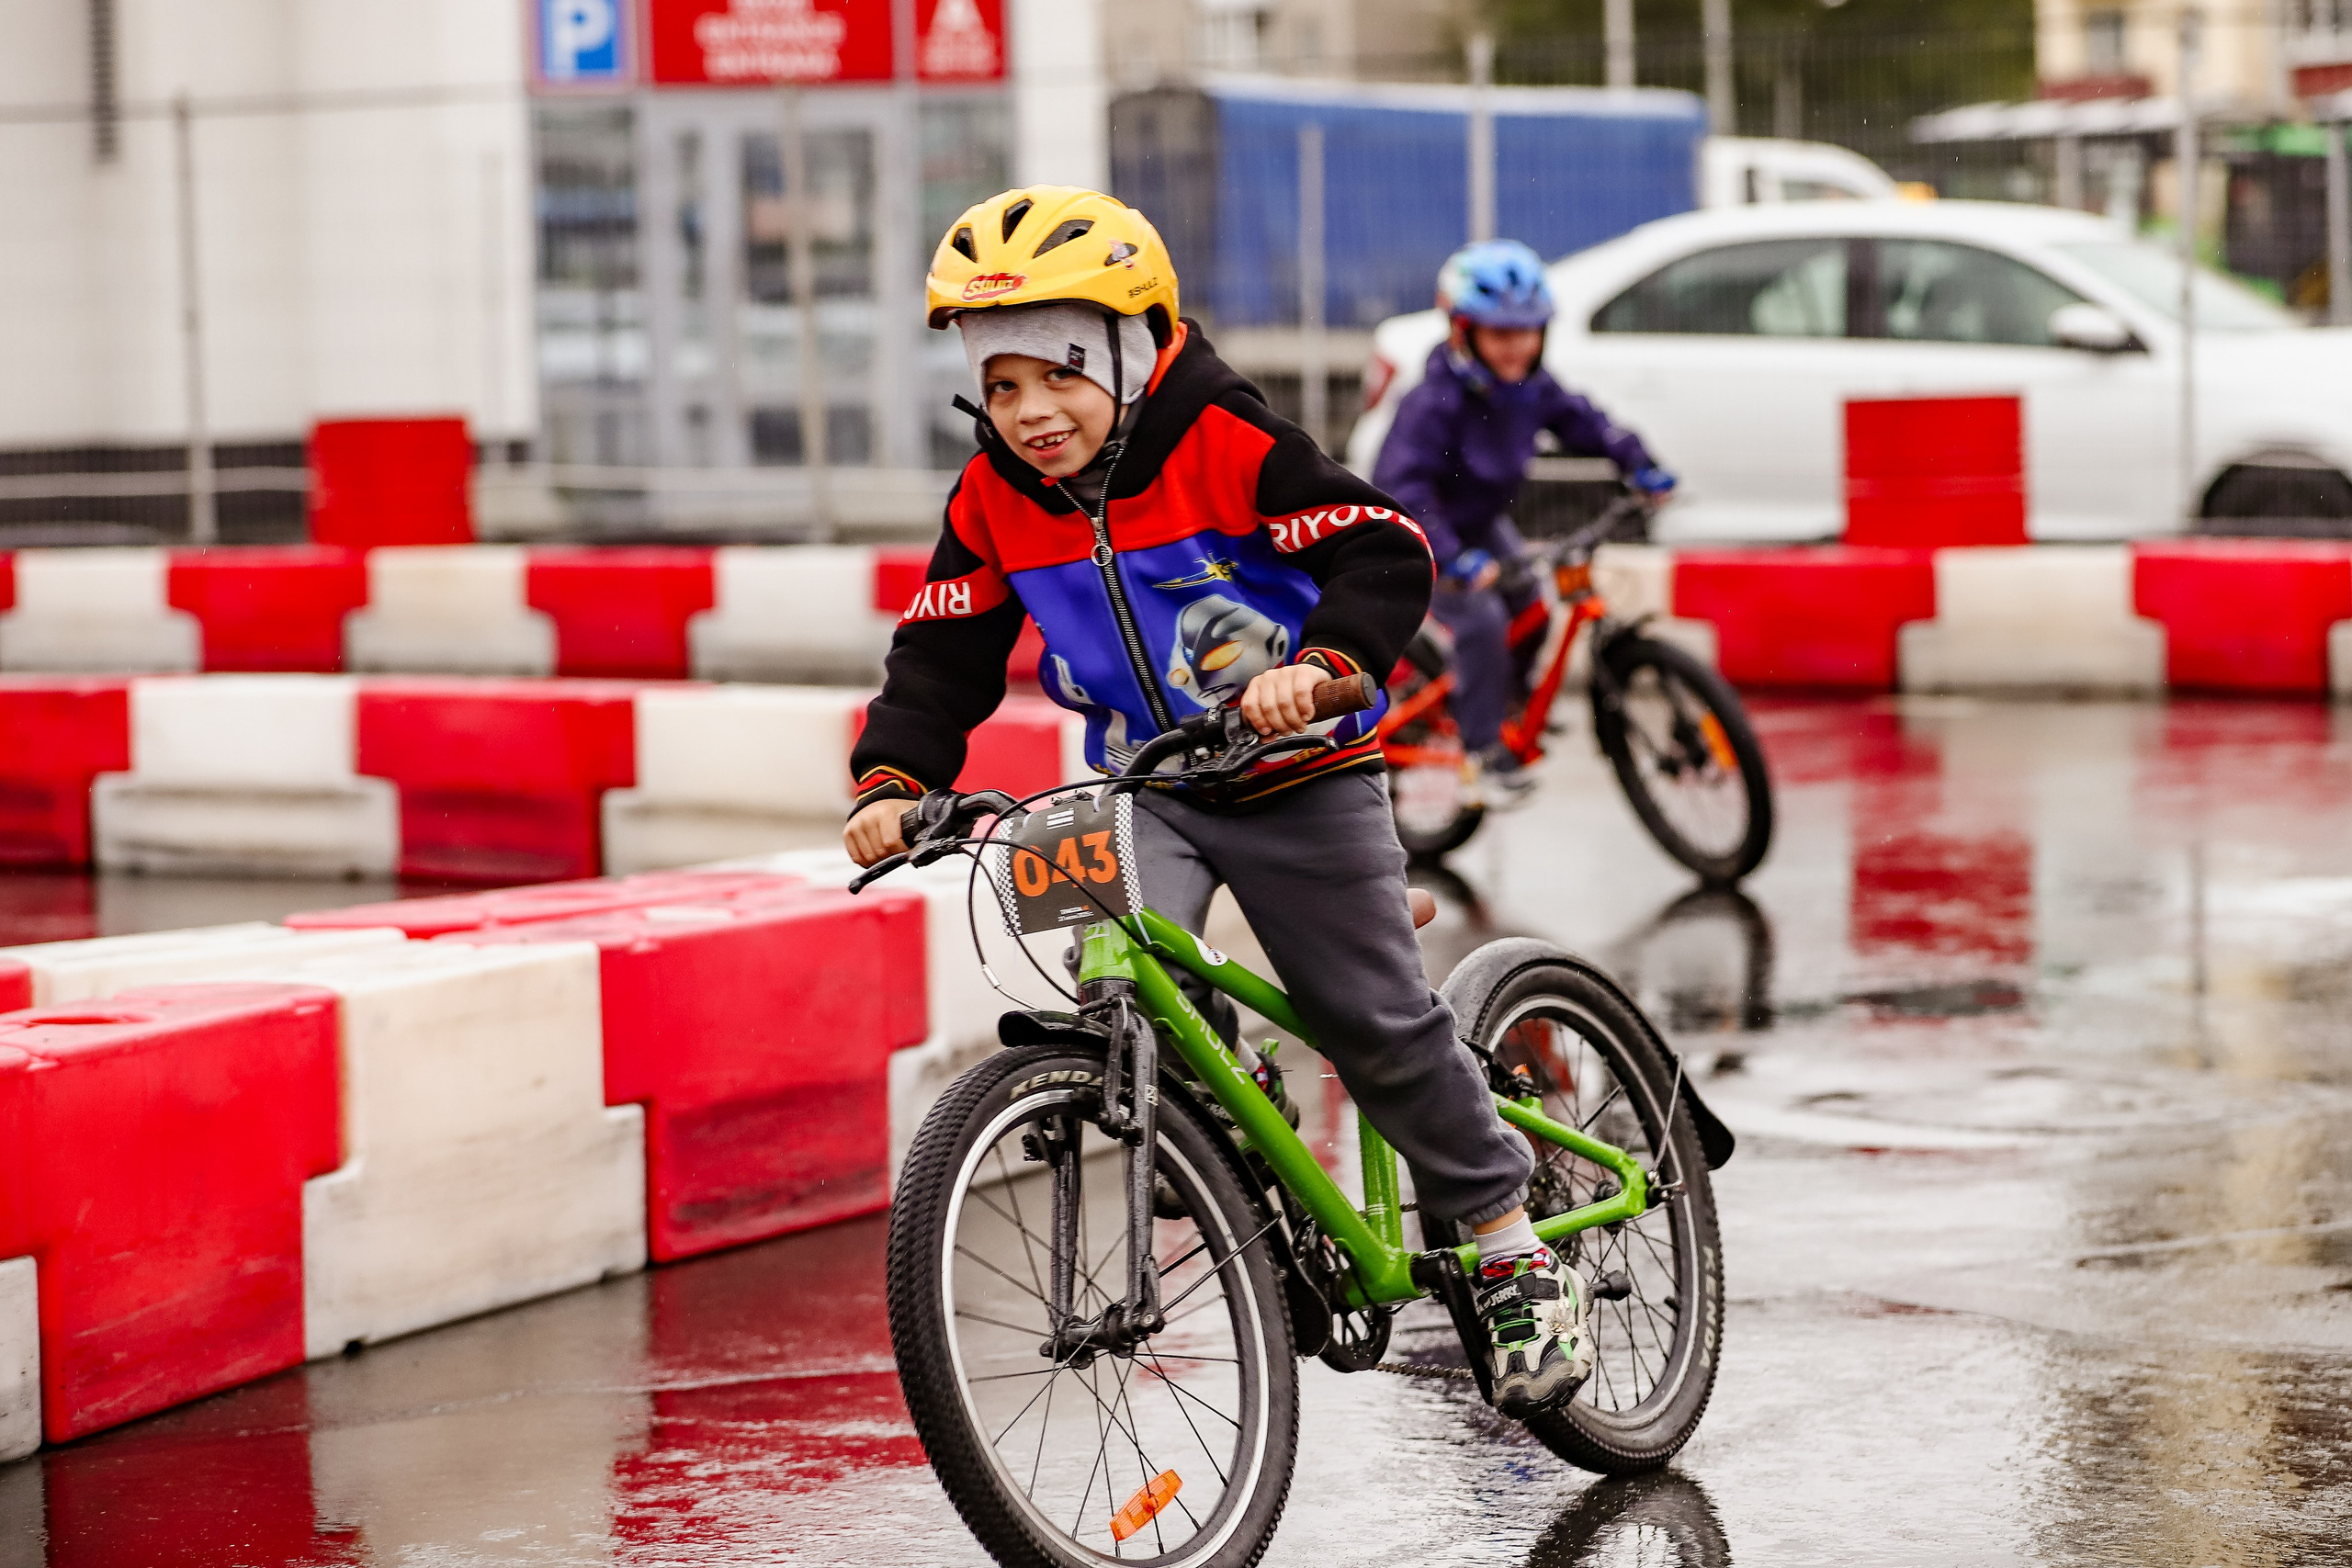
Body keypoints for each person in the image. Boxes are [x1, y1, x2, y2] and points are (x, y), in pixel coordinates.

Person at [843, 186, 1591, 1415]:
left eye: (1060, 375)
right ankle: (1232, 1117)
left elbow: (1381, 546)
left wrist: (1327, 663)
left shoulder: (1226, 440)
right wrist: (896, 777)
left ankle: (1510, 1244)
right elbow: (942, 649)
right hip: (1146, 780)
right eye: (1002, 381)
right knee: (1115, 987)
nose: (1031, 412)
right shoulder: (991, 497)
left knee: (1377, 1021)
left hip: (1300, 772)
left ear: (1135, 351)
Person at [1374, 240, 1677, 799]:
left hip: (1481, 521)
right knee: (1482, 623)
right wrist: (1452, 557)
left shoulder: (1531, 389)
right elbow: (1403, 488)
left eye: (1529, 331)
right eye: (1501, 333)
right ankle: (1483, 756)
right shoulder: (1432, 403)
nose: (1518, 347)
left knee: (1534, 609)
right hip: (1422, 532)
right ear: (1463, 332)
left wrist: (1640, 462)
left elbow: (1585, 422)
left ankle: (1503, 700)